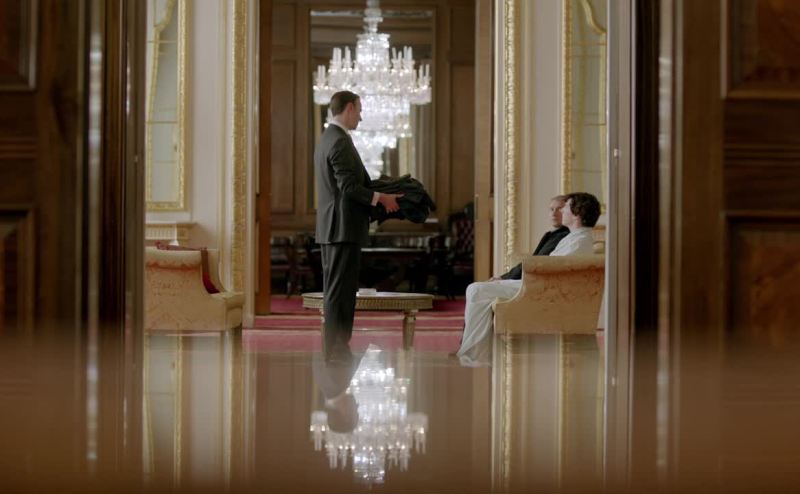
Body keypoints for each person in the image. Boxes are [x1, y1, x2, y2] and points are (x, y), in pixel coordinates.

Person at [456, 192, 601, 366]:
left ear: (577, 214)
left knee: (476, 289)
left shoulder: (578, 241)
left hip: (543, 289)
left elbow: (552, 269)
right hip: (542, 285)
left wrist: (516, 275)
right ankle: (476, 352)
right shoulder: (575, 237)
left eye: (566, 207)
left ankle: (474, 353)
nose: (562, 211)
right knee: (479, 289)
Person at [314, 91, 402, 355]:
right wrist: (381, 198)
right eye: (360, 110)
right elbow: (349, 187)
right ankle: (336, 349)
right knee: (340, 293)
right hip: (342, 229)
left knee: (337, 292)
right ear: (350, 108)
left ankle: (336, 348)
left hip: (335, 228)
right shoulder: (339, 141)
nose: (361, 117)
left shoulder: (328, 138)